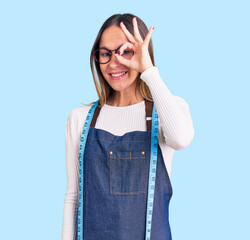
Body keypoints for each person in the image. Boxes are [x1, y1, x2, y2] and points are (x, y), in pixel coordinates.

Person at [61, 13, 194, 240]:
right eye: (105, 54)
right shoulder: (79, 119)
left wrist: (148, 71)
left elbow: (181, 139)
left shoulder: (167, 110)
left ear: (142, 53)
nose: (115, 63)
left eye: (125, 52)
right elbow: (74, 197)